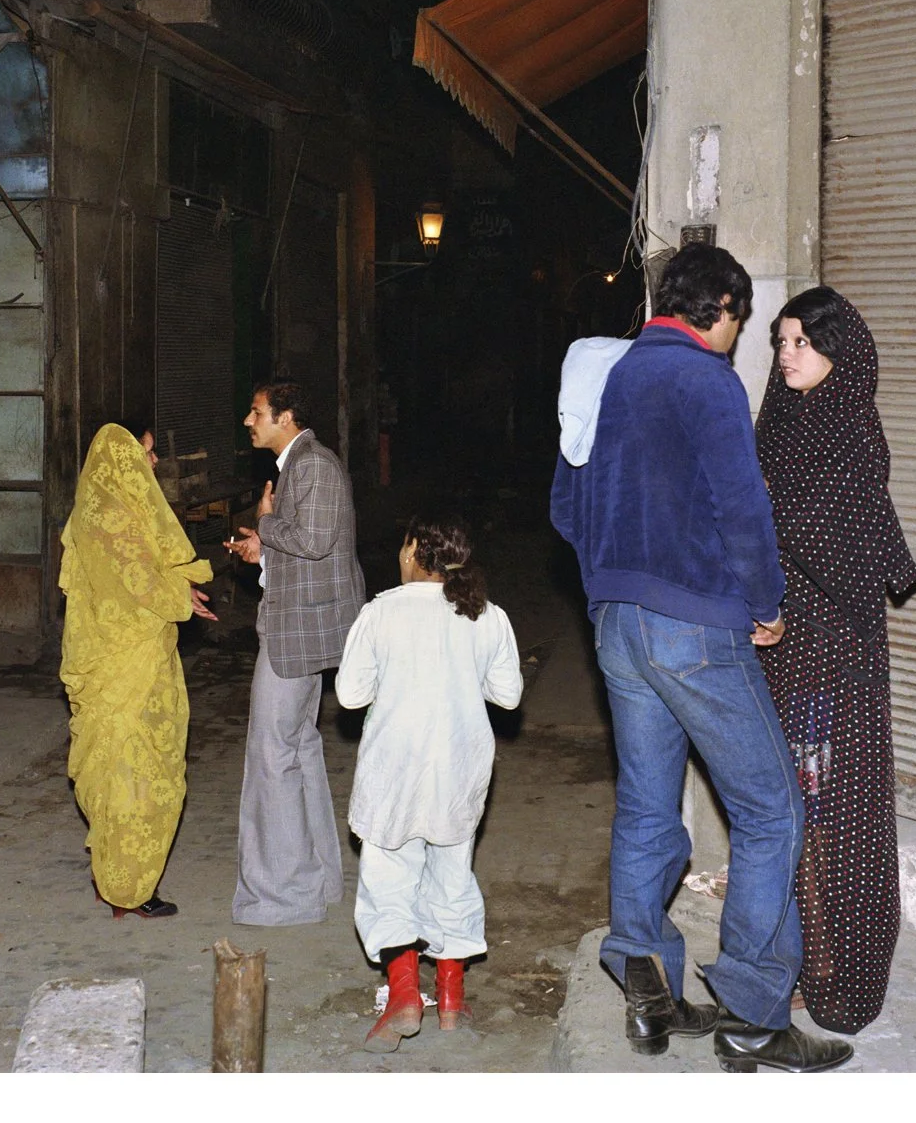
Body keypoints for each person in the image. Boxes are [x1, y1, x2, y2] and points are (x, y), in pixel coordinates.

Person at [551, 243, 853, 1074]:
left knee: (650, 809)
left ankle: (646, 986)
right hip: (694, 627)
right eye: (740, 323)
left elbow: (566, 502)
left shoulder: (609, 374)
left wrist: (610, 585)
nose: (738, 339)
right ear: (718, 307)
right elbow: (743, 507)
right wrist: (765, 605)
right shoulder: (706, 381)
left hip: (616, 624)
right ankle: (755, 1012)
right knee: (771, 811)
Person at [754, 286, 916, 1035]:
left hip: (833, 652)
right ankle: (801, 960)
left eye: (801, 343)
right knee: (788, 808)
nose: (787, 356)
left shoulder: (850, 427)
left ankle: (836, 972)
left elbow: (846, 551)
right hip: (782, 649)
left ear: (836, 351)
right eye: (781, 343)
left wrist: (767, 523)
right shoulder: (780, 420)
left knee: (827, 811)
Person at [336, 517, 524, 1052]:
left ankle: (403, 997)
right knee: (452, 875)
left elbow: (350, 696)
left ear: (415, 551)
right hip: (459, 767)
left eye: (403, 544)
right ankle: (452, 998)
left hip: (394, 769)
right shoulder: (486, 614)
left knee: (389, 879)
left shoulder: (381, 612)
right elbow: (507, 696)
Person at [58, 422, 216, 919]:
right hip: (119, 664)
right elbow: (134, 580)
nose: (151, 462)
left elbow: (148, 569)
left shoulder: (116, 507)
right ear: (119, 458)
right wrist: (178, 595)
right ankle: (126, 886)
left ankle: (115, 874)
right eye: (143, 453)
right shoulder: (104, 515)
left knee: (138, 768)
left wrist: (178, 591)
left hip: (137, 658)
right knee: (130, 774)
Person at [225, 379, 366, 925]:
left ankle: (285, 895)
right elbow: (304, 547)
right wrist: (264, 550)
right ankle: (315, 881)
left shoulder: (314, 465)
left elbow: (314, 540)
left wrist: (265, 522)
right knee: (296, 749)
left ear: (285, 418)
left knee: (273, 755)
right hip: (298, 627)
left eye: (256, 412)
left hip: (299, 635)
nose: (248, 421)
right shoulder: (300, 466)